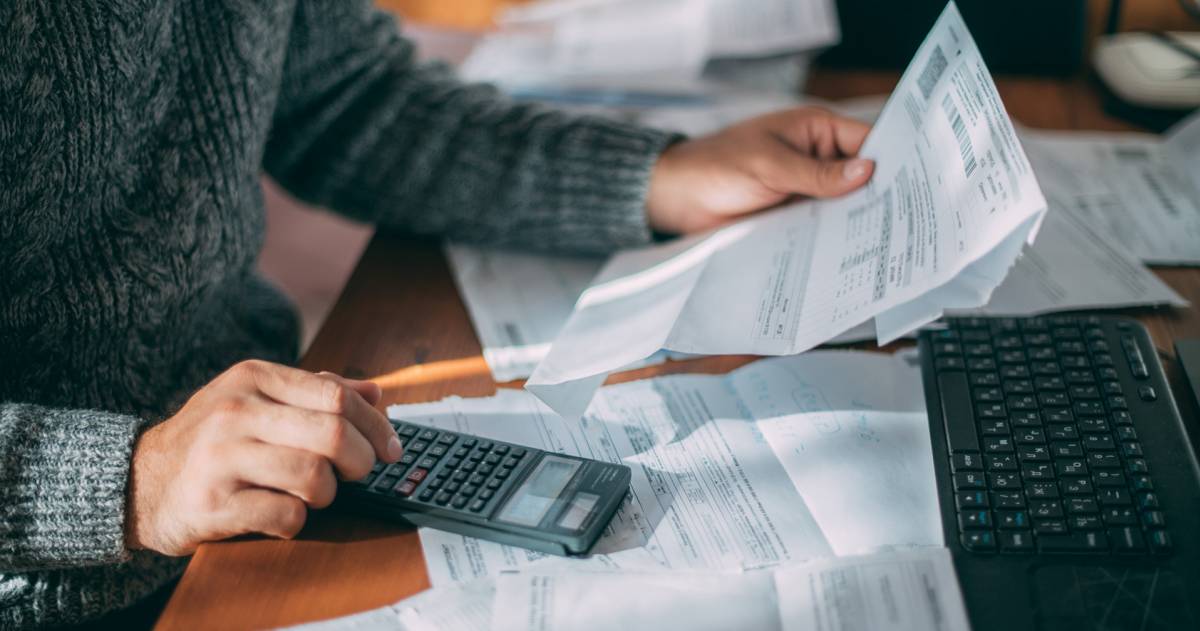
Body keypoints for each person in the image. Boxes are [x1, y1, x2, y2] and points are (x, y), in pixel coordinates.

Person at [0, 1, 874, 627]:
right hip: (62, 574)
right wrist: (137, 479)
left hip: (273, 474)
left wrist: (654, 177)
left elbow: (346, 97)